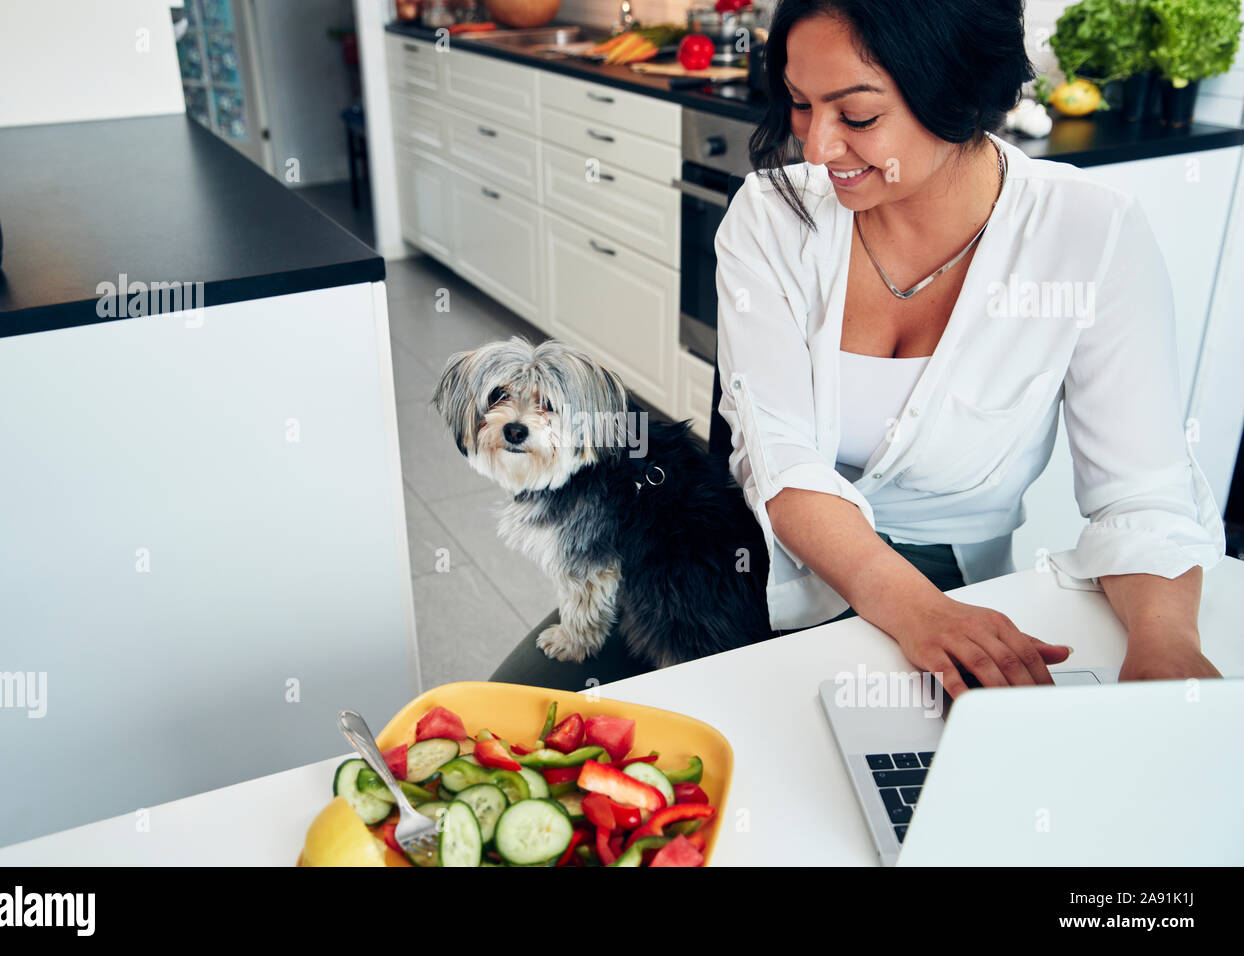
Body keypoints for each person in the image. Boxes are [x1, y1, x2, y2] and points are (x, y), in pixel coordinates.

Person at [491, 0, 1226, 694]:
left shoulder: (1089, 234)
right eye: (801, 103)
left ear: (960, 91)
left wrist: (1165, 646)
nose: (816, 145)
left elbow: (1142, 493)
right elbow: (777, 453)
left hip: (951, 578)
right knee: (523, 704)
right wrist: (908, 608)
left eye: (859, 114)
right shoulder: (771, 220)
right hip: (741, 550)